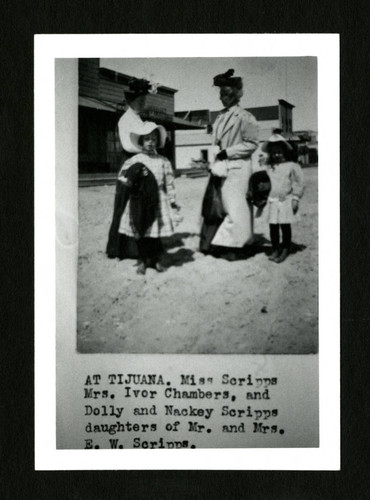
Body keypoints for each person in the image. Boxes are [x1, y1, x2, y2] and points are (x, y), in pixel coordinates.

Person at [200, 69, 259, 261]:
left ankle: (238, 246)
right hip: (222, 167)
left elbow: (251, 143)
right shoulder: (219, 117)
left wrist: (229, 151)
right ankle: (227, 244)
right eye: (220, 94)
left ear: (234, 94)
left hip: (239, 167)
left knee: (237, 208)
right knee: (223, 206)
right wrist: (213, 156)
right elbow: (216, 141)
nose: (221, 98)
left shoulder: (246, 117)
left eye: (224, 94)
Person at [115, 122, 181, 275]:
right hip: (140, 201)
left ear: (157, 141)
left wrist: (172, 200)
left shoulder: (163, 160)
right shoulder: (135, 160)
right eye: (146, 139)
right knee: (141, 232)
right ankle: (143, 261)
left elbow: (169, 182)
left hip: (158, 200)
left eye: (153, 139)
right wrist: (134, 180)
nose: (150, 142)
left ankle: (155, 261)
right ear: (141, 142)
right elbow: (123, 177)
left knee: (155, 233)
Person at [262, 133, 305, 263]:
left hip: (286, 200)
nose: (277, 155)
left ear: (285, 152)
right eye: (274, 153)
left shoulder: (292, 165)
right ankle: (275, 248)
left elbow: (300, 182)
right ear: (270, 153)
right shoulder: (268, 167)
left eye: (279, 152)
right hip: (272, 201)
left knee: (285, 226)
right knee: (273, 227)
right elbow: (262, 181)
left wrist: (295, 198)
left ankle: (285, 249)